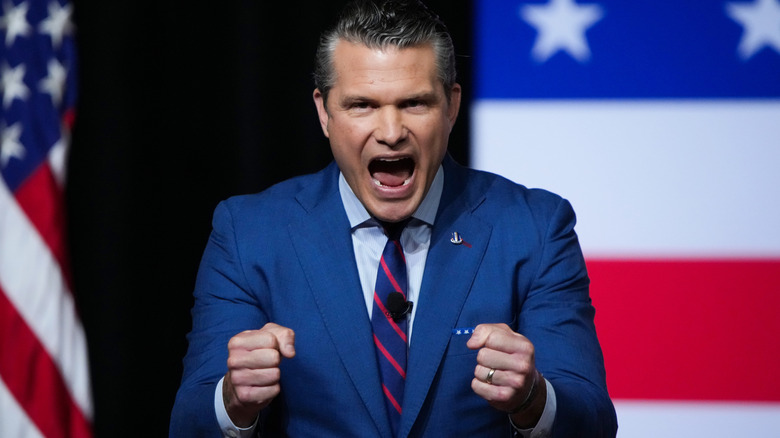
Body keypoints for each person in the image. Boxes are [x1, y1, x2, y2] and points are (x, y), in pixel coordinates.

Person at [170, 0, 617, 437]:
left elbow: (594, 421)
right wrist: (233, 400)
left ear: (451, 106)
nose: (390, 132)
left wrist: (533, 398)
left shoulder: (534, 228)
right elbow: (189, 422)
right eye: (362, 105)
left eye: (414, 103)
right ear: (324, 112)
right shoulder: (249, 233)